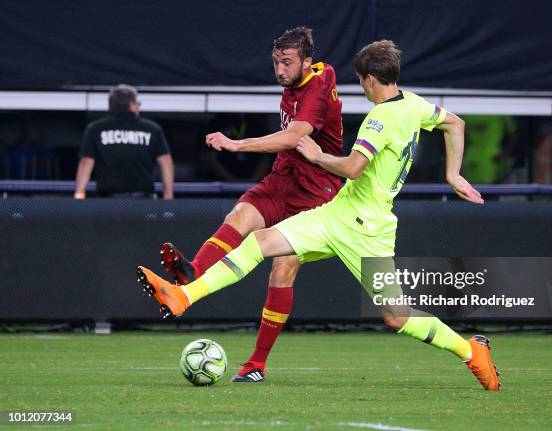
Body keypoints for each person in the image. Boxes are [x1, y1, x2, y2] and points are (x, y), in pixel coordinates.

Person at [137, 40, 500, 391]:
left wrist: (316, 156)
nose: (362, 88)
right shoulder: (415, 105)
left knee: (397, 316)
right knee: (259, 243)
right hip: (336, 215)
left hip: (366, 231)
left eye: (361, 82)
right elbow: (456, 124)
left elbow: (353, 168)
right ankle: (183, 296)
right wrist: (452, 175)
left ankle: (471, 351)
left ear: (369, 79)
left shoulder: (379, 119)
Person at [158, 27, 343, 382]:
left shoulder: (319, 86)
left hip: (317, 193)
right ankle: (192, 273)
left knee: (283, 268)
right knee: (240, 214)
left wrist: (236, 145)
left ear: (307, 60)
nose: (279, 70)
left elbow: (292, 136)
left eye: (287, 62)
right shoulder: (299, 81)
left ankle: (256, 365)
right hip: (283, 179)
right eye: (275, 61)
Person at [74, 84, 174, 199]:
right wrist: (168, 196)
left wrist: (79, 195)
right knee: (150, 217)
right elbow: (166, 163)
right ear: (131, 104)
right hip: (144, 202)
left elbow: (86, 163)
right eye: (138, 103)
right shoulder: (152, 128)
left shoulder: (95, 128)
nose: (139, 107)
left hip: (109, 203)